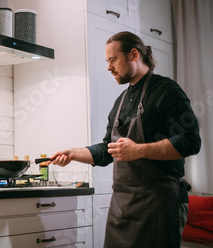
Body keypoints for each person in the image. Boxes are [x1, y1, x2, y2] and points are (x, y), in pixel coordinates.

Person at [49, 31, 201, 248]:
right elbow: (107, 150)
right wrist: (73, 154)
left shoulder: (167, 91)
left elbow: (190, 141)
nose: (109, 67)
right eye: (107, 61)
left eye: (113, 60)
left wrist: (139, 150)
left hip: (160, 204)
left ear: (133, 54)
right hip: (122, 206)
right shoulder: (120, 101)